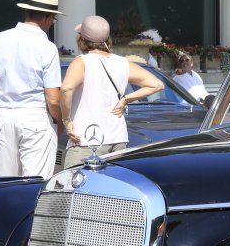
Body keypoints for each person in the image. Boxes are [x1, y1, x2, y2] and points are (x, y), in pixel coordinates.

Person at [0, 0, 65, 177]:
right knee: (35, 181)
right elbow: (53, 99)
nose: (52, 24)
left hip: (4, 116)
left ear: (27, 12)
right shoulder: (47, 47)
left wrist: (5, 84)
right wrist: (60, 121)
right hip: (35, 116)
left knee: (6, 181)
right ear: (47, 18)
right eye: (53, 19)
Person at [60, 16, 163, 167]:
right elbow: (157, 84)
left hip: (87, 138)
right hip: (118, 138)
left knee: (78, 181)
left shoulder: (82, 62)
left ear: (82, 39)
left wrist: (67, 121)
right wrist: (125, 99)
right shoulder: (122, 62)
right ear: (107, 39)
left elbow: (66, 89)